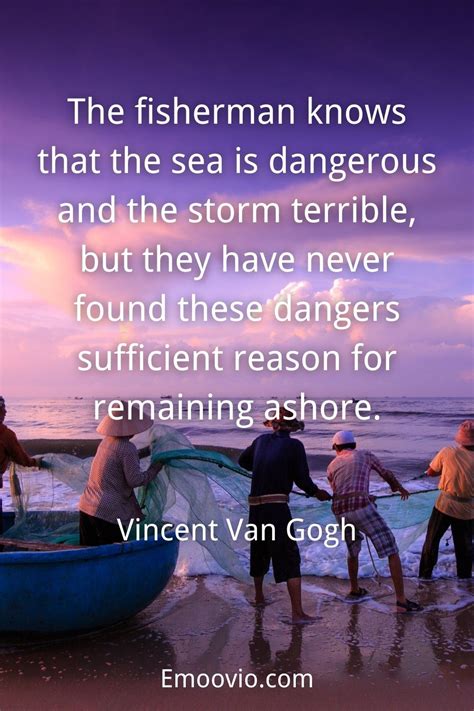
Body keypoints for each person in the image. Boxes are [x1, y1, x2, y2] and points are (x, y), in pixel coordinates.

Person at [238, 406, 332, 623]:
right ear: (291, 428)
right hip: (276, 508)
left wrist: (264, 467)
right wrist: (316, 492)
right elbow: (302, 479)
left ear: (273, 425)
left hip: (256, 508)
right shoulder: (295, 445)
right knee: (289, 556)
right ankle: (297, 613)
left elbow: (243, 462)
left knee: (259, 550)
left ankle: (259, 597)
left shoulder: (260, 440)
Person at [327, 430, 422, 612]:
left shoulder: (331, 465)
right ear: (354, 445)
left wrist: (364, 496)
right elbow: (385, 473)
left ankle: (354, 590)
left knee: (352, 548)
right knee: (391, 549)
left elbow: (340, 491)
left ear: (336, 447)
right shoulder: (365, 455)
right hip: (361, 508)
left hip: (339, 510)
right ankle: (401, 601)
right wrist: (398, 488)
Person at [79, 404, 162, 546]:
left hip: (86, 506)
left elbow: (122, 460)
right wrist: (155, 468)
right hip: (108, 513)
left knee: (88, 553)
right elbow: (135, 480)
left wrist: (148, 451)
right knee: (113, 554)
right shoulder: (127, 448)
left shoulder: (106, 442)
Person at [419, 420, 473, 580]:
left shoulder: (447, 452)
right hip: (467, 510)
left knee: (431, 542)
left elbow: (431, 471)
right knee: (464, 547)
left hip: (445, 505)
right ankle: (464, 582)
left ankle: (424, 577)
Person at [0, 396, 41, 533]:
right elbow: (23, 459)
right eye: (2, 408)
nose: (5, 412)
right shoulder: (5, 434)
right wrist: (36, 462)